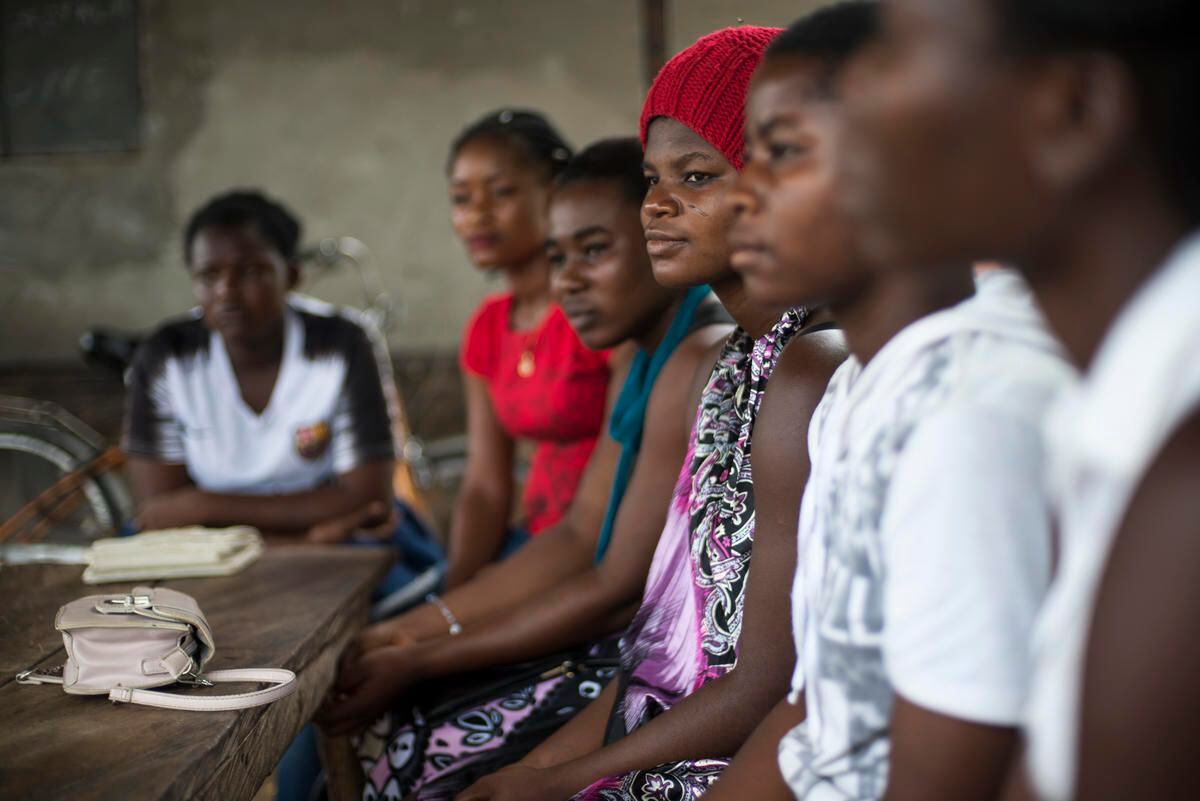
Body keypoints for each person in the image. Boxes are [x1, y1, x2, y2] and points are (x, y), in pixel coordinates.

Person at [456, 26, 847, 801]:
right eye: (652, 178)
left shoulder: (809, 365)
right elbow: (662, 650)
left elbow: (765, 680)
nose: (657, 206)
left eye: (697, 176)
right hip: (670, 723)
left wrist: (562, 778)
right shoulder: (729, 364)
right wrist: (536, 772)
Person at [836, 0, 1200, 799]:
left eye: (890, 51)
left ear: (1074, 110)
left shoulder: (1184, 480)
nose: (847, 93)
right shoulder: (1106, 408)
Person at [720, 3, 1077, 799]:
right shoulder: (852, 392)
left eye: (783, 153)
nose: (744, 197)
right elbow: (817, 717)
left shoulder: (969, 414)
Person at [317, 138, 732, 800]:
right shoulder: (639, 356)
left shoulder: (699, 354)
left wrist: (424, 648)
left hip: (642, 657)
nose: (567, 279)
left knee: (408, 749)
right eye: (558, 256)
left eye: (594, 250)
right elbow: (577, 531)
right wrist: (423, 625)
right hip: (621, 645)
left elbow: (616, 586)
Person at [124, 189, 404, 543]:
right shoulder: (168, 355)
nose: (227, 291)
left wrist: (204, 506)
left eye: (251, 272)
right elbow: (162, 513)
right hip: (243, 550)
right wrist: (311, 531)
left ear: (291, 276)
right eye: (209, 276)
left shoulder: (340, 344)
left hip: (326, 550)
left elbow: (369, 500)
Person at [445, 109, 615, 589]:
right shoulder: (489, 326)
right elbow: (485, 485)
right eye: (462, 198)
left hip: (599, 550)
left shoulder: (598, 310)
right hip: (534, 542)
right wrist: (456, 588)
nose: (478, 214)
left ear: (555, 189)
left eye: (501, 192)